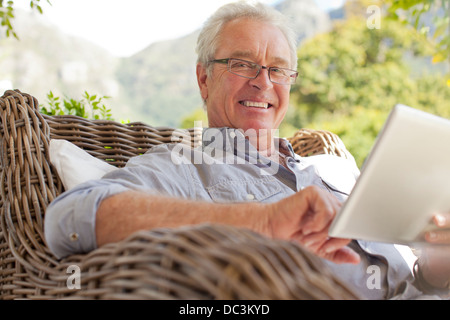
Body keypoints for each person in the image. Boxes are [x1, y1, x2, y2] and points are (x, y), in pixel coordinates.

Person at [44, 1, 449, 299]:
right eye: (241, 64)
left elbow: (412, 276)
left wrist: (436, 261)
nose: (262, 82)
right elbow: (68, 218)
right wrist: (259, 221)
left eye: (277, 69)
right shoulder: (181, 167)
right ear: (204, 80)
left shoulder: (333, 168)